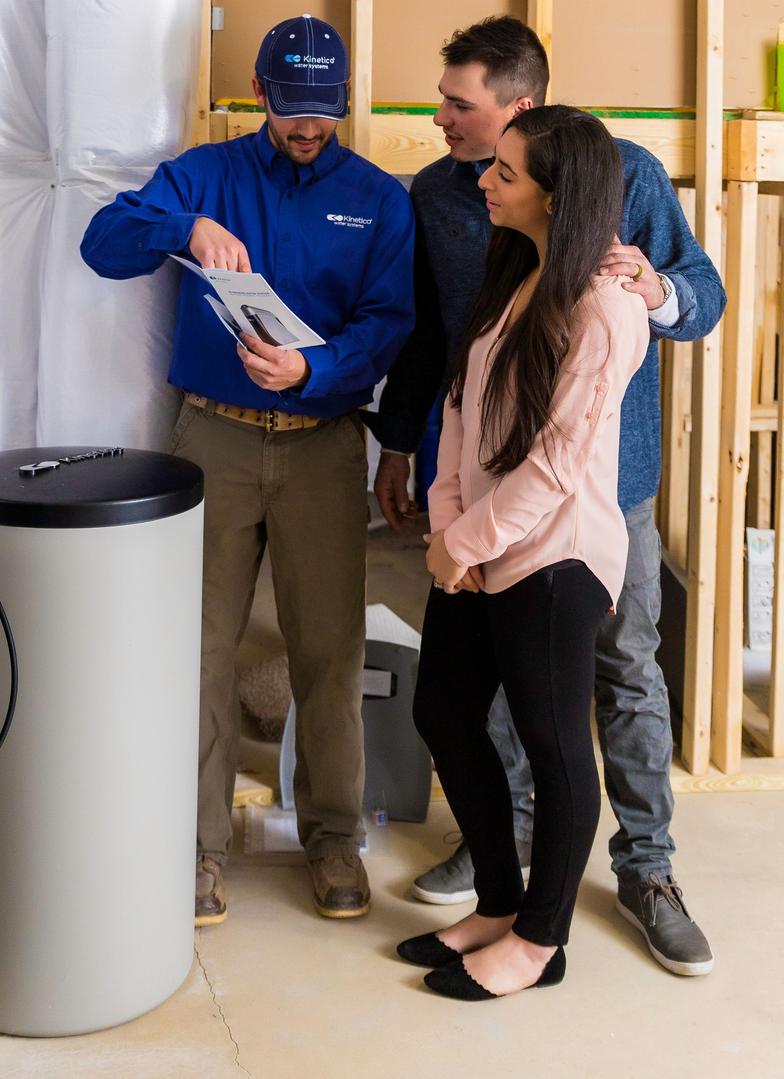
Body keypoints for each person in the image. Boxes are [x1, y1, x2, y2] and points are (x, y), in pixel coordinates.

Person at [367, 16, 724, 976]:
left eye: (458, 103)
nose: (440, 118)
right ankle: (510, 862)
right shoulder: (443, 198)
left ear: (518, 109)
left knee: (621, 675)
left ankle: (646, 870)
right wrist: (410, 458)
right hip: (484, 494)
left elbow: (703, 295)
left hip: (601, 490)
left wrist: (652, 285)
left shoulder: (626, 175)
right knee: (485, 702)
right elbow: (441, 344)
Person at [80, 15, 414, 925]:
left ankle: (333, 837)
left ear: (345, 99)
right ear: (260, 94)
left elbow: (389, 322)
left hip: (323, 442)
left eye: (324, 111)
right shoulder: (206, 175)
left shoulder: (377, 199)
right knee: (199, 647)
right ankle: (198, 846)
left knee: (329, 650)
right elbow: (102, 242)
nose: (308, 127)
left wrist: (313, 369)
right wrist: (185, 227)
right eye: (293, 108)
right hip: (214, 440)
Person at [397, 104, 649, 1000]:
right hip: (476, 544)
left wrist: (464, 540)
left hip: (555, 558)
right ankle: (499, 903)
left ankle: (542, 940)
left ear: (556, 194)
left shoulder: (607, 309)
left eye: (505, 171)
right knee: (443, 712)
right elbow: (460, 407)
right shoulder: (513, 271)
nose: (485, 180)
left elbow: (556, 465)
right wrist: (449, 524)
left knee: (553, 743)